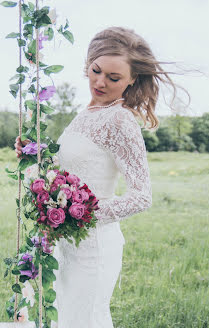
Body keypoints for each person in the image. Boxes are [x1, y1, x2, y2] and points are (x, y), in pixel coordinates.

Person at [13, 26, 188, 328]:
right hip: (66, 241)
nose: (100, 82)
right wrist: (37, 154)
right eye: (96, 70)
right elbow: (77, 165)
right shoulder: (89, 111)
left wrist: (80, 215)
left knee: (86, 319)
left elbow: (142, 195)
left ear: (133, 78)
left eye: (113, 77)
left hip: (94, 245)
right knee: (65, 316)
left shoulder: (120, 119)